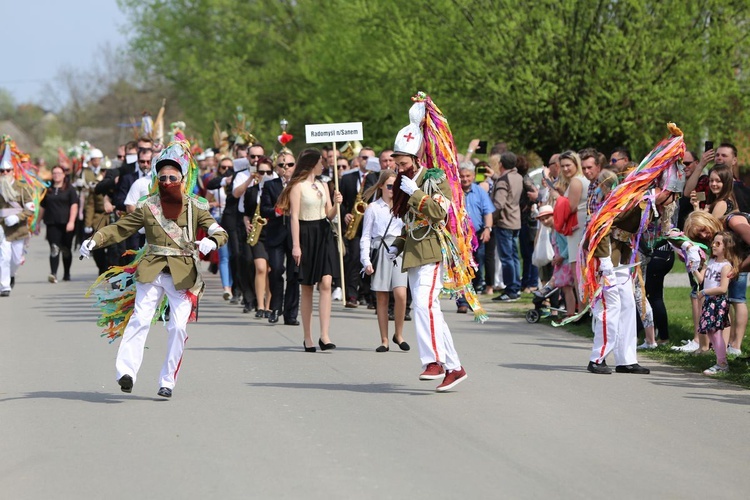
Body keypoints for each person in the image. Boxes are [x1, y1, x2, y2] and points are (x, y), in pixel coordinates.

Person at [79, 141, 228, 398]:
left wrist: (211, 240)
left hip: (183, 274)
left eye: (173, 177)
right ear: (156, 180)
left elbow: (218, 230)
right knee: (140, 319)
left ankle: (167, 381)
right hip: (152, 270)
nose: (168, 181)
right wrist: (96, 239)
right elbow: (121, 228)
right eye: (163, 177)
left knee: (178, 327)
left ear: (182, 179)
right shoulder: (149, 206)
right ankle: (126, 372)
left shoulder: (196, 206)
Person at [388, 92, 482, 392]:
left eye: (402, 161)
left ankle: (434, 361)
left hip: (433, 248)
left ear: (415, 157)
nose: (398, 166)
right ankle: (454, 367)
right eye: (396, 161)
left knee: (424, 306)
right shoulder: (405, 181)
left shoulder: (433, 178)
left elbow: (440, 212)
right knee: (430, 311)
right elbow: (410, 221)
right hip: (415, 251)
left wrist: (416, 191)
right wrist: (399, 242)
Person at [275, 148, 342, 352]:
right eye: (320, 161)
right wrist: (296, 245)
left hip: (323, 233)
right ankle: (308, 336)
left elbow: (329, 214)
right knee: (307, 286)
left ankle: (325, 334)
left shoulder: (323, 184)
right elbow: (294, 216)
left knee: (327, 282)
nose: (323, 164)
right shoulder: (297, 186)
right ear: (312, 164)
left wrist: (337, 204)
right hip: (305, 234)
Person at [360, 169, 410, 352]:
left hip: (398, 251)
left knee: (401, 295)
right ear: (381, 186)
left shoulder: (403, 207)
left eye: (395, 186)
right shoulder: (373, 208)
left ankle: (399, 333)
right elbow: (365, 236)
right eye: (389, 186)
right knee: (381, 297)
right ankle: (384, 339)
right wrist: (366, 260)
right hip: (380, 249)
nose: (392, 189)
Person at [692, 232, 740, 375]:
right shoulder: (711, 262)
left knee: (715, 332)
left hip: (718, 302)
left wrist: (705, 292)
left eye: (718, 243)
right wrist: (694, 268)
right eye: (713, 242)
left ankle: (722, 363)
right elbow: (702, 280)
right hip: (709, 301)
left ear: (726, 247)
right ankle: (721, 361)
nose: (713, 245)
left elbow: (723, 288)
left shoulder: (726, 266)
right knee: (711, 332)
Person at [261, 150, 300, 325]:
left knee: (294, 274)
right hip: (276, 234)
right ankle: (275, 307)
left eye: (290, 165)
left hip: (295, 236)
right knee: (276, 270)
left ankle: (291, 314)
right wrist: (278, 211)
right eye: (282, 165)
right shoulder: (271, 185)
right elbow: (264, 209)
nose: (286, 168)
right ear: (276, 168)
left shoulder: (299, 185)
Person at [0, 141, 39, 296]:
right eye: (1, 171)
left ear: (12, 171)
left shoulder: (22, 187)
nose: (4, 173)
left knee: (15, 260)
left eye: (7, 170)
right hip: (2, 227)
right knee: (3, 257)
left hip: (18, 227)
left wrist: (17, 217)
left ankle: (10, 275)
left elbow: (30, 208)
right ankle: (4, 286)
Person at [456, 162, 494, 312]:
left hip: (477, 236)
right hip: (460, 235)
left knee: (476, 268)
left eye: (468, 176)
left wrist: (487, 229)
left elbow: (488, 212)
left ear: (473, 176)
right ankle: (462, 302)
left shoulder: (480, 191)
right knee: (461, 268)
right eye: (462, 176)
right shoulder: (454, 191)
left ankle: (473, 297)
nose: (465, 179)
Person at [244, 156, 274, 317]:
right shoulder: (252, 191)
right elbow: (246, 213)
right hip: (258, 233)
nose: (265, 174)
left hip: (274, 233)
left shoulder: (277, 188)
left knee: (271, 270)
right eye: (261, 172)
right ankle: (260, 305)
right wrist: (246, 223)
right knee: (261, 268)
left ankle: (269, 305)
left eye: (269, 171)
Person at [491, 151, 523, 301]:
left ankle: (510, 289)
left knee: (506, 257)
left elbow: (499, 203)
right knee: (514, 256)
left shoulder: (503, 180)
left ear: (501, 164)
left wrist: (491, 218)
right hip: (516, 220)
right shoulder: (518, 177)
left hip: (504, 221)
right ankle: (516, 287)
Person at [40, 166, 79, 283]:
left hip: (66, 223)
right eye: (54, 173)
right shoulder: (48, 189)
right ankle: (53, 274)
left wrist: (71, 221)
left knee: (66, 249)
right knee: (54, 248)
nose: (56, 175)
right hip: (52, 223)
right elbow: (42, 207)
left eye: (59, 173)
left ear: (63, 175)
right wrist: (36, 223)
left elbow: (74, 206)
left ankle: (67, 273)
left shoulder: (70, 189)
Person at [206, 156, 233, 299]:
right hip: (219, 219)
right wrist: (214, 204)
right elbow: (205, 202)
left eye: (230, 168)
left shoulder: (237, 181)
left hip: (234, 221)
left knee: (235, 255)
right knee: (224, 256)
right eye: (223, 167)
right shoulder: (217, 183)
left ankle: (235, 286)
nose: (227, 170)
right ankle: (227, 288)